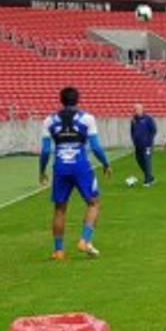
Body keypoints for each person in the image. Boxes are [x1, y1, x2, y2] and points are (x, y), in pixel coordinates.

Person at [39, 86, 111, 259]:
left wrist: (41, 170)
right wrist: (105, 163)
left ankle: (58, 251)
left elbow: (46, 151)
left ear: (61, 100)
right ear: (78, 100)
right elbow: (95, 146)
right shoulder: (87, 119)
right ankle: (84, 240)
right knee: (93, 203)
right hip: (80, 166)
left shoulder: (49, 121)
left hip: (60, 166)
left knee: (59, 209)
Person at [129, 102, 157, 187]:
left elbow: (154, 130)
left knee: (147, 161)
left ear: (142, 109)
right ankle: (151, 177)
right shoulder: (133, 120)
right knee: (139, 161)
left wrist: (149, 140)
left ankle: (147, 180)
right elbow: (132, 131)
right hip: (138, 146)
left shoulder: (148, 118)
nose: (135, 111)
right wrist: (134, 141)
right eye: (134, 109)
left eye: (137, 109)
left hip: (147, 145)